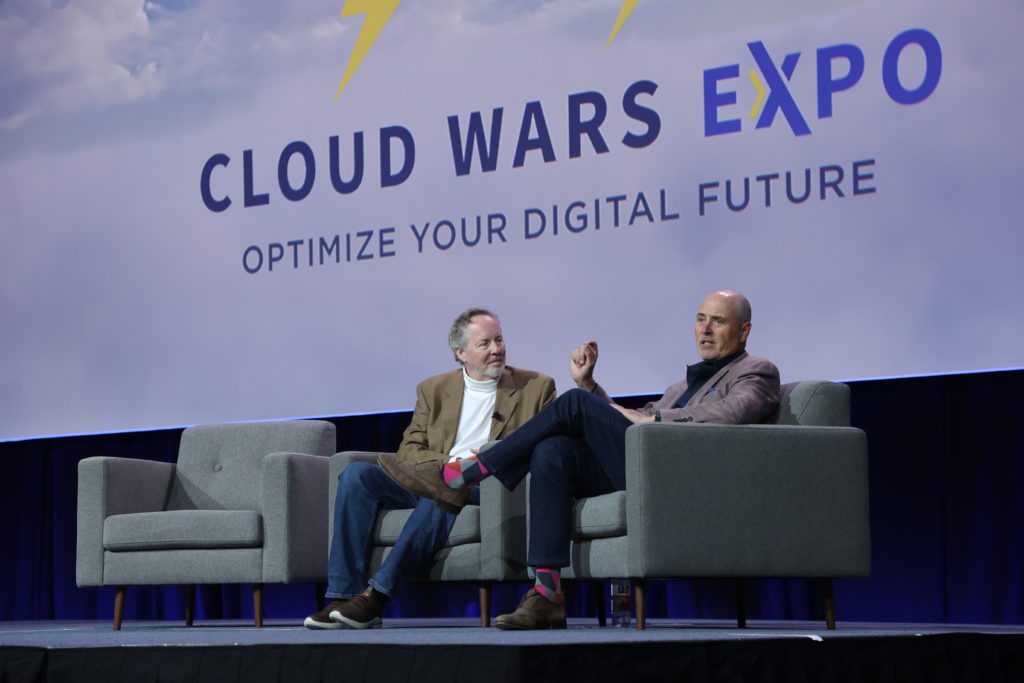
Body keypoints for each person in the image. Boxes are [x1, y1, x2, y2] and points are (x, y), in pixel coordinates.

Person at [378, 290, 780, 629]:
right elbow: (631, 419)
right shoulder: (680, 386)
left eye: (718, 322)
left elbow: (730, 414)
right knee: (552, 450)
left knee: (572, 403)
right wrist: (593, 387)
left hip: (678, 475)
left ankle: (478, 468)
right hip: (643, 464)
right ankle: (548, 592)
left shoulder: (758, 372)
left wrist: (648, 415)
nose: (705, 330)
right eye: (700, 319)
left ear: (743, 331)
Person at [304, 308, 556, 629]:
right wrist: (448, 466)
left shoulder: (536, 387)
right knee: (356, 475)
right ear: (460, 353)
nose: (496, 349)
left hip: (488, 485)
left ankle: (375, 597)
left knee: (447, 489)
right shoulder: (433, 390)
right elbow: (409, 450)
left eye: (499, 340)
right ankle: (343, 598)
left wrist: (467, 469)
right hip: (436, 475)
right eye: (485, 344)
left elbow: (542, 448)